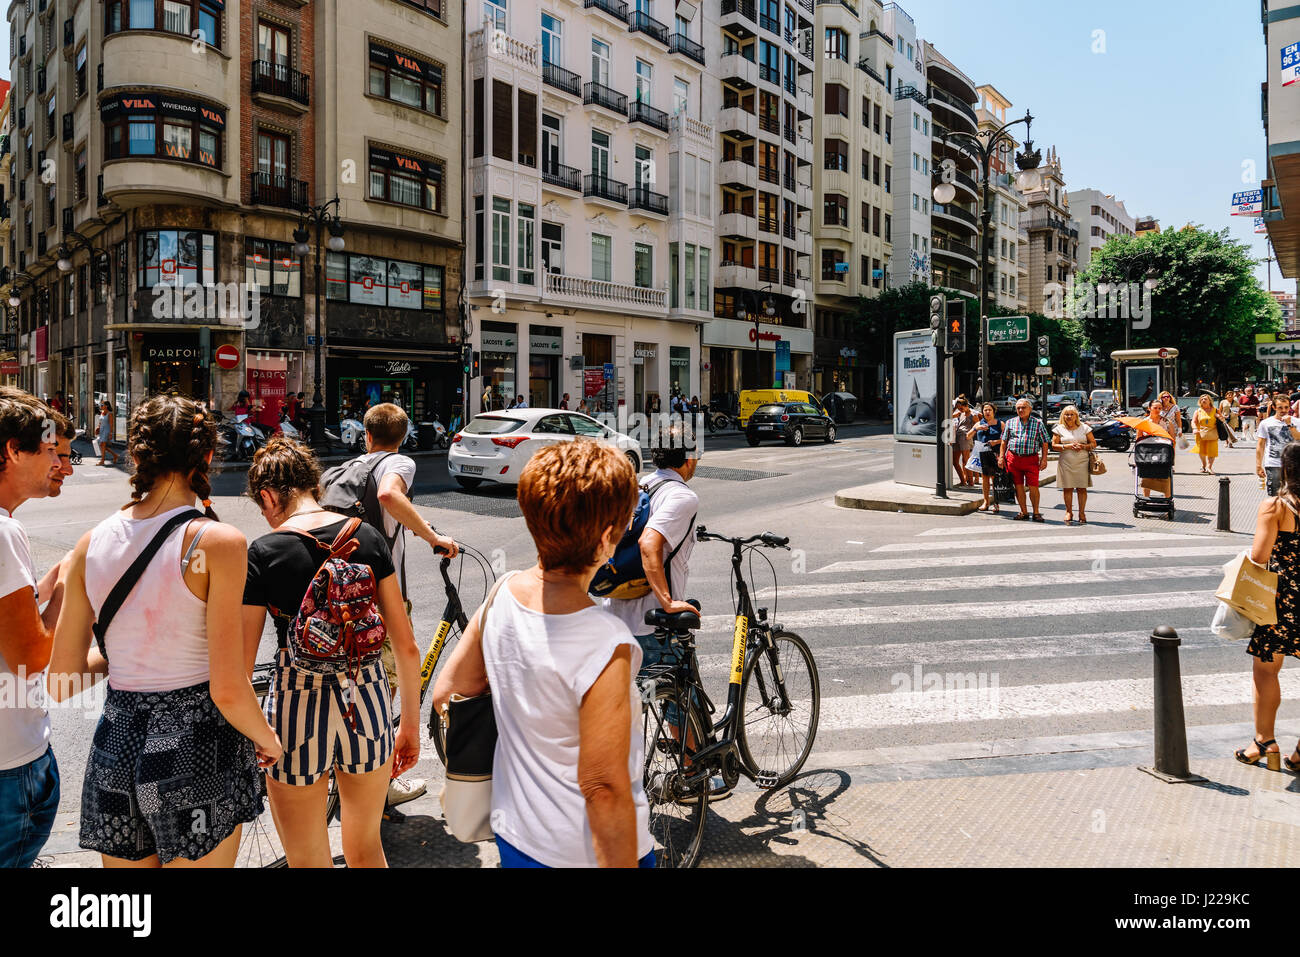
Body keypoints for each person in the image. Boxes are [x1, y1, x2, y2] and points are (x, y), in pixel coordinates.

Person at [50, 395, 275, 867]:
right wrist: (268, 740)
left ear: (135, 456)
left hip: (116, 740)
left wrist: (134, 653)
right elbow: (229, 687)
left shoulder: (91, 542)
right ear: (208, 457)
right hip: (195, 741)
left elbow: (61, 678)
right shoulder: (217, 541)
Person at [432, 439, 654, 867]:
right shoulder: (606, 642)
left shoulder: (502, 593)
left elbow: (449, 692)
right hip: (581, 853)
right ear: (608, 536)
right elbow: (603, 787)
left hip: (515, 836)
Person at [241, 437, 421, 866]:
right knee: (366, 849)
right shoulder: (368, 537)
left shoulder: (264, 553)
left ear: (268, 496)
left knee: (307, 857)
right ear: (312, 485)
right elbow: (407, 647)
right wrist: (409, 726)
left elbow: (242, 666)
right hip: (369, 697)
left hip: (295, 706)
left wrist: (254, 733)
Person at [603, 420, 716, 796]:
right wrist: (668, 602)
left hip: (613, 613)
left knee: (631, 703)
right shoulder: (682, 497)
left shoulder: (641, 485)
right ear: (688, 458)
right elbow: (651, 545)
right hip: (651, 621)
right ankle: (691, 775)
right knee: (679, 700)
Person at [353, 402, 457, 807]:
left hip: (340, 596)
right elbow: (388, 495)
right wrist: (433, 537)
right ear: (402, 437)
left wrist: (413, 526)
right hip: (382, 595)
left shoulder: (345, 470)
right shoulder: (399, 464)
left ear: (366, 435)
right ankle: (381, 784)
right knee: (385, 693)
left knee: (358, 687)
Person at [0, 389, 65, 868]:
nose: (61, 462)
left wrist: (50, 581)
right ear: (11, 451)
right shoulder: (3, 533)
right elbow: (30, 657)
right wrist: (69, 593)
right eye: (48, 450)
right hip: (9, 762)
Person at [1238, 443, 1300, 771]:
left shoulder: (1276, 507)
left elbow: (1259, 556)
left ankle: (1264, 741)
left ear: (1286, 471)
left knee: (1267, 669)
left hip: (1283, 599)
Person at [998, 398, 1051, 522]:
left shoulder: (1038, 423)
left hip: (1031, 459)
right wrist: (1001, 457)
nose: (1021, 410)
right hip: (1013, 458)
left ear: (1030, 409)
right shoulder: (1010, 422)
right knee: (1018, 487)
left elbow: (1044, 442)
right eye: (1018, 408)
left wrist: (1044, 459)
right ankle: (1024, 512)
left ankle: (1036, 512)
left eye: (1023, 407)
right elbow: (1003, 441)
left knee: (1033, 486)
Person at [1051, 405, 1096, 526]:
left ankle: (1082, 513)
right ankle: (1068, 512)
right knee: (1068, 487)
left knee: (1082, 487)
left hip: (1082, 461)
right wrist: (1067, 446)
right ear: (1063, 416)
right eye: (1066, 414)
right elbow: (1054, 445)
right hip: (1066, 460)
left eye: (1071, 414)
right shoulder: (1059, 429)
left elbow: (1093, 443)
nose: (1069, 417)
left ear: (1076, 416)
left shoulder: (1085, 428)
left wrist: (1083, 446)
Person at [1257, 394, 1300, 496]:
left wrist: (1290, 425)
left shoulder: (1297, 422)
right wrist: (1258, 465)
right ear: (1274, 407)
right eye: (1280, 407)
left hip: (1293, 463)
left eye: (1286, 407)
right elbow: (1261, 444)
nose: (1283, 410)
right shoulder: (1266, 423)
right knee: (1275, 495)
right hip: (1273, 463)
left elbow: (1298, 438)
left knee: (1294, 495)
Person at [968, 403, 1002, 514]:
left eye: (989, 410)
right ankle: (986, 502)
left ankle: (996, 503)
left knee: (995, 479)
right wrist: (975, 429)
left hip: (995, 453)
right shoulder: (979, 423)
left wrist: (996, 442)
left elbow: (1007, 439)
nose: (987, 412)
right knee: (985, 479)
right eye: (985, 410)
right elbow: (968, 436)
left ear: (994, 411)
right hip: (982, 453)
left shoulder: (1000, 424)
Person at [1191, 393, 1219, 474]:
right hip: (1200, 433)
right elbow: (1193, 421)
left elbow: (1222, 421)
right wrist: (1195, 428)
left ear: (1210, 401)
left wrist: (1220, 417)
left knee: (1212, 450)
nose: (1203, 400)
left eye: (1205, 399)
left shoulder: (1216, 410)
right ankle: (1204, 465)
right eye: (1202, 399)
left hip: (1213, 433)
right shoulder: (1198, 411)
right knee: (1201, 451)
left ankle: (1209, 467)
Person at [951, 398, 976, 488]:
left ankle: (971, 482)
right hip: (957, 437)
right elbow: (948, 416)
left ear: (966, 406)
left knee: (966, 460)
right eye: (958, 408)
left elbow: (978, 426)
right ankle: (963, 481)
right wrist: (955, 409)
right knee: (954, 461)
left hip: (965, 438)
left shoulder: (973, 415)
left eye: (961, 408)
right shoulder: (960, 413)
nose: (960, 410)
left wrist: (971, 434)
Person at [95, 400, 119, 467]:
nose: (101, 406)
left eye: (102, 405)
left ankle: (102, 461)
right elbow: (100, 422)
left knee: (102, 444)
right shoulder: (102, 412)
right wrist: (98, 428)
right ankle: (115, 455)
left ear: (106, 406)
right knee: (102, 446)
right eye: (101, 405)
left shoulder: (109, 414)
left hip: (106, 431)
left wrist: (111, 433)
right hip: (101, 430)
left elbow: (111, 424)